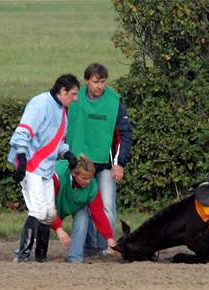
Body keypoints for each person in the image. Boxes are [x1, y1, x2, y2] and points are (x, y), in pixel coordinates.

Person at [8, 74, 80, 262]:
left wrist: (67, 154)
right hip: (31, 165)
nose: (75, 98)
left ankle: (41, 255)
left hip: (46, 168)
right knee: (38, 212)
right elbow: (22, 133)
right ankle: (22, 255)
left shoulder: (63, 110)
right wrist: (21, 160)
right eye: (73, 94)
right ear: (62, 91)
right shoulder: (39, 104)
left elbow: (58, 142)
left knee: (49, 214)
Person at [66, 63, 132, 256]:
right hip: (79, 164)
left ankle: (106, 248)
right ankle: (88, 247)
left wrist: (119, 163)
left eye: (103, 82)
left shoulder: (115, 102)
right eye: (96, 82)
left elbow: (124, 135)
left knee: (107, 205)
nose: (100, 86)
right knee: (82, 206)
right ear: (87, 81)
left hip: (105, 164)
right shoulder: (74, 98)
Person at [50, 156, 117, 263]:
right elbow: (48, 206)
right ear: (73, 174)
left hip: (75, 205)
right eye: (84, 178)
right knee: (39, 221)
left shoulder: (92, 186)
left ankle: (75, 257)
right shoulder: (58, 176)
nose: (88, 182)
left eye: (90, 178)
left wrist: (109, 237)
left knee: (83, 215)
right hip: (50, 205)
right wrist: (59, 229)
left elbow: (98, 214)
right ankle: (22, 253)